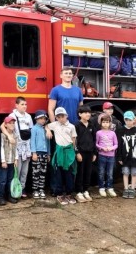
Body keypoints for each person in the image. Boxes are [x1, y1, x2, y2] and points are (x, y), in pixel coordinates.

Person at [47, 67, 84, 196]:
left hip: (72, 128)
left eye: (70, 74)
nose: (69, 75)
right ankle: (55, 189)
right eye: (66, 73)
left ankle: (70, 189)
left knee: (71, 160)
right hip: (60, 130)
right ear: (61, 75)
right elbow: (51, 109)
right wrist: (54, 125)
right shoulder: (56, 90)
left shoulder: (77, 90)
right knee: (57, 161)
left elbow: (81, 108)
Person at [1, 96, 33, 198]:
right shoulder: (12, 115)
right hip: (17, 147)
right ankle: (15, 190)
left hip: (27, 147)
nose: (24, 106)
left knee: (25, 171)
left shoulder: (28, 116)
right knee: (17, 171)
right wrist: (9, 136)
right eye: (22, 104)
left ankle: (22, 189)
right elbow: (2, 126)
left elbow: (31, 130)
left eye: (25, 104)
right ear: (16, 105)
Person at [47, 107, 77, 205]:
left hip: (68, 151)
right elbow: (46, 126)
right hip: (59, 151)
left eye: (62, 116)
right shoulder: (55, 125)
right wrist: (47, 130)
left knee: (69, 173)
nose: (61, 118)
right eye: (58, 117)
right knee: (58, 173)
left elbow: (73, 139)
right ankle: (59, 194)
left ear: (66, 116)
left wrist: (72, 151)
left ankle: (69, 193)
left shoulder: (71, 126)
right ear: (56, 117)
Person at [116, 111, 136, 199]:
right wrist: (119, 156)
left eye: (130, 120)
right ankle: (126, 188)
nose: (128, 122)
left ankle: (132, 188)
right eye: (126, 120)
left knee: (134, 173)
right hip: (125, 157)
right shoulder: (120, 130)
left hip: (135, 157)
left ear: (134, 120)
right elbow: (119, 144)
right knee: (125, 172)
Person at [73, 105, 96, 203]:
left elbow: (94, 140)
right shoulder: (76, 125)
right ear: (80, 114)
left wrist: (95, 153)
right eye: (85, 112)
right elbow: (74, 141)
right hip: (81, 153)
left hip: (90, 153)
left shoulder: (91, 125)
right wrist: (77, 152)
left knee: (88, 172)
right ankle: (78, 191)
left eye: (89, 112)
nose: (88, 114)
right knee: (80, 172)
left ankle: (86, 190)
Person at [0, 115, 19, 206]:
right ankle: (0, 197)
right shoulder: (2, 136)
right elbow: (1, 148)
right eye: (10, 123)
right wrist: (3, 161)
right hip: (5, 161)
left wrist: (16, 159)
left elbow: (16, 148)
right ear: (5, 125)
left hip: (12, 161)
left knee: (10, 179)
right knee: (3, 180)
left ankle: (9, 195)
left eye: (13, 123)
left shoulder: (15, 135)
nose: (12, 125)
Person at [96, 113, 118, 197]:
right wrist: (102, 148)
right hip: (102, 155)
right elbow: (96, 144)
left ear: (110, 123)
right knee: (101, 172)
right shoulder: (98, 133)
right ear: (101, 123)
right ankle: (101, 187)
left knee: (110, 173)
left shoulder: (113, 133)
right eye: (104, 122)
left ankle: (110, 187)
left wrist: (111, 148)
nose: (106, 124)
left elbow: (116, 144)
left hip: (111, 156)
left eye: (107, 122)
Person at [30, 110, 50, 199]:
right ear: (36, 119)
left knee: (43, 172)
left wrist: (48, 153)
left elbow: (48, 142)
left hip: (44, 154)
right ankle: (35, 190)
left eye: (44, 119)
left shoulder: (45, 129)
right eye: (41, 118)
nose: (43, 120)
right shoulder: (34, 129)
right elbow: (32, 142)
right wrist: (33, 153)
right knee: (36, 173)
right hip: (37, 153)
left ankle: (41, 189)